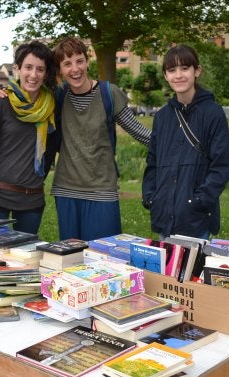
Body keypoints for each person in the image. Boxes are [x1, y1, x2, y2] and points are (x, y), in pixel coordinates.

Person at [50, 37, 151, 241]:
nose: (75, 69)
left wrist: (176, 144)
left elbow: (138, 130)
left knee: (104, 257)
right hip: (66, 189)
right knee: (71, 260)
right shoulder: (57, 96)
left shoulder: (108, 93)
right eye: (67, 64)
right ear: (60, 69)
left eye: (79, 61)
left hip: (102, 189)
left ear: (87, 62)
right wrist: (6, 93)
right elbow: (29, 100)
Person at [141, 44, 229, 240]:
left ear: (196, 71)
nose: (178, 75)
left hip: (196, 219)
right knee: (164, 271)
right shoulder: (163, 116)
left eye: (184, 68)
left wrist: (199, 201)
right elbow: (153, 163)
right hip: (164, 215)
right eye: (172, 70)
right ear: (165, 75)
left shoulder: (213, 113)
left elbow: (221, 166)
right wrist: (150, 197)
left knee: (194, 271)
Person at [0, 40, 57, 234]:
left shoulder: (52, 106)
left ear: (46, 74)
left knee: (27, 258)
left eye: (40, 69)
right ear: (17, 69)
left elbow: (52, 149)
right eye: (28, 67)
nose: (33, 75)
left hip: (33, 199)